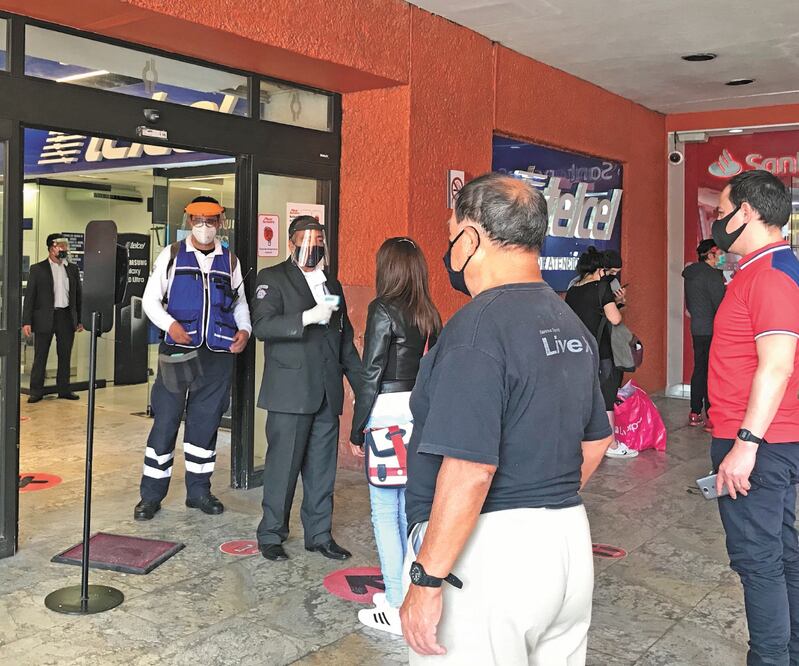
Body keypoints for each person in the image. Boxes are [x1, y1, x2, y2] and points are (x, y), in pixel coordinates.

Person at [401, 173, 613, 664]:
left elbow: (471, 468)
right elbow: (598, 441)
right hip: (568, 546)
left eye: (451, 229)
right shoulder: (569, 323)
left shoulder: (476, 329)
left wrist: (427, 579)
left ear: (471, 238)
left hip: (489, 556)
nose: (448, 244)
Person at [708, 170, 799, 665]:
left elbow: (778, 363)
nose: (718, 223)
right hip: (771, 439)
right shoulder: (773, 267)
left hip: (759, 444)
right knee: (780, 552)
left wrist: (745, 444)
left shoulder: (770, 274)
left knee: (759, 561)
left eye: (722, 213)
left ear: (746, 212)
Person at [252, 215, 363, 562]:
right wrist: (306, 318)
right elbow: (262, 325)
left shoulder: (333, 282)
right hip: (290, 391)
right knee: (282, 468)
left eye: (318, 242)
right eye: (305, 241)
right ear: (291, 243)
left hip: (326, 392)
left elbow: (344, 339)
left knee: (321, 471)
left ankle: (319, 535)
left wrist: (362, 384)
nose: (312, 248)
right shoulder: (272, 278)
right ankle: (271, 533)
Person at [134, 196, 251, 521]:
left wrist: (245, 330)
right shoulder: (171, 255)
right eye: (198, 219)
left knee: (206, 422)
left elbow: (240, 302)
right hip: (178, 352)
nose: (204, 225)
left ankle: (199, 492)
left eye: (210, 220)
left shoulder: (230, 261)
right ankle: (151, 496)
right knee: (167, 419)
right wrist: (170, 324)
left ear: (221, 221)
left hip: (218, 353)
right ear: (188, 221)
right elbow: (150, 300)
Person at [349, 237, 441, 636]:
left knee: (384, 509)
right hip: (418, 413)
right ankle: (408, 589)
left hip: (385, 414)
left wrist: (356, 427)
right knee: (410, 507)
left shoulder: (381, 309)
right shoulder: (429, 313)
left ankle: (394, 600)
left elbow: (371, 372)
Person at [565, 246, 635, 458]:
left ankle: (579, 442)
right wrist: (619, 302)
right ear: (600, 270)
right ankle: (611, 446)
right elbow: (615, 319)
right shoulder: (601, 288)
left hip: (577, 350)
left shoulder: (573, 289)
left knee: (582, 397)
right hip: (601, 351)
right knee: (606, 396)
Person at [22, 233, 83, 403]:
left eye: (65, 245)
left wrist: (79, 319)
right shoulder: (37, 269)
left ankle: (64, 389)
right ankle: (36, 391)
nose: (64, 249)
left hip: (65, 316)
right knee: (41, 355)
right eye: (60, 245)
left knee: (65, 355)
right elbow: (30, 297)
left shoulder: (72, 269)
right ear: (51, 248)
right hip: (44, 317)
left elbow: (78, 295)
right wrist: (26, 321)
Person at [682, 239, 726, 430]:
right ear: (710, 255)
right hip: (713, 330)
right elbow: (721, 306)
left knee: (700, 369)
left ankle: (694, 412)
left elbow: (690, 305)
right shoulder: (713, 276)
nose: (722, 257)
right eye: (719, 253)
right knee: (712, 373)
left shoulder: (691, 274)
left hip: (698, 330)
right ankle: (711, 416)